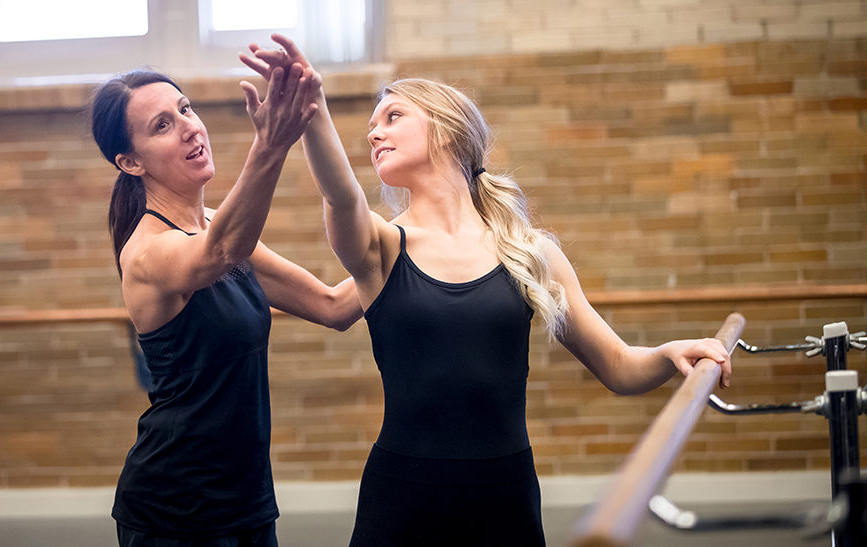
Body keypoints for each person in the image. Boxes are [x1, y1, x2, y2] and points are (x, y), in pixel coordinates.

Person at [241, 35, 733, 546]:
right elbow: (341, 196)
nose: (374, 134)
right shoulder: (383, 247)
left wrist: (672, 352)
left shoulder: (530, 252)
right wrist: (313, 110)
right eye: (372, 125)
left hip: (506, 494)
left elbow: (618, 366)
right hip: (403, 496)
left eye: (393, 117)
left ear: (448, 129)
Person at [89, 65, 362, 546]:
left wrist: (417, 247)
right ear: (131, 163)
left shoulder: (216, 227)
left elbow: (334, 305)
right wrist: (271, 144)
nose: (190, 126)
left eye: (185, 108)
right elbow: (219, 253)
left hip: (247, 502)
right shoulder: (147, 253)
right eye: (162, 125)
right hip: (174, 511)